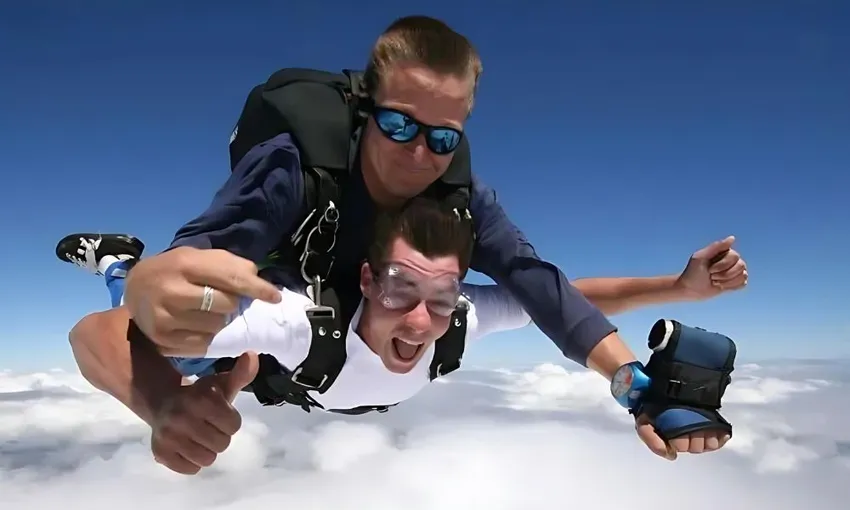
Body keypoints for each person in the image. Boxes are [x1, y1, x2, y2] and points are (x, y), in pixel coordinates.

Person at [67, 199, 738, 476]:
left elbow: (559, 297)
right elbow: (98, 333)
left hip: (315, 387)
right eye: (398, 292)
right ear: (365, 280)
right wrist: (157, 405)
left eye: (443, 298)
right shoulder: (299, 321)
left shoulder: (458, 321)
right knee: (185, 341)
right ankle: (118, 260)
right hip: (283, 369)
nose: (421, 321)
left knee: (216, 358)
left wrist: (676, 290)